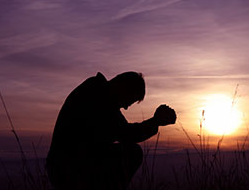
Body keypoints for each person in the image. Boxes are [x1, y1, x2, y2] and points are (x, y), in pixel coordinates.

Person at [46, 72, 176, 190]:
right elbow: (126, 134)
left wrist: (155, 121)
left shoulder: (97, 91)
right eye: (128, 101)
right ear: (123, 89)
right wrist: (155, 121)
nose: (125, 107)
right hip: (68, 168)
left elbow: (121, 131)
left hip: (67, 164)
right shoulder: (98, 97)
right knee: (132, 153)